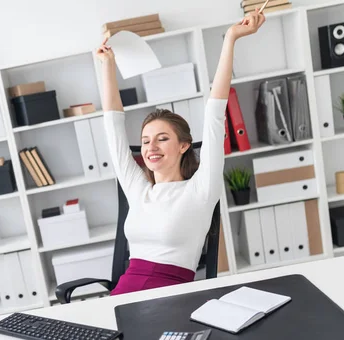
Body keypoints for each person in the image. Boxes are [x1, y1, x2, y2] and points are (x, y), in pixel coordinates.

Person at [96, 10, 266, 295]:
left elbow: (214, 113)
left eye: (162, 139)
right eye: (146, 140)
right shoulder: (138, 190)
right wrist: (107, 66)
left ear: (184, 145)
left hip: (170, 300)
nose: (151, 147)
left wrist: (231, 39)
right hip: (120, 297)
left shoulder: (200, 190)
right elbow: (113, 127)